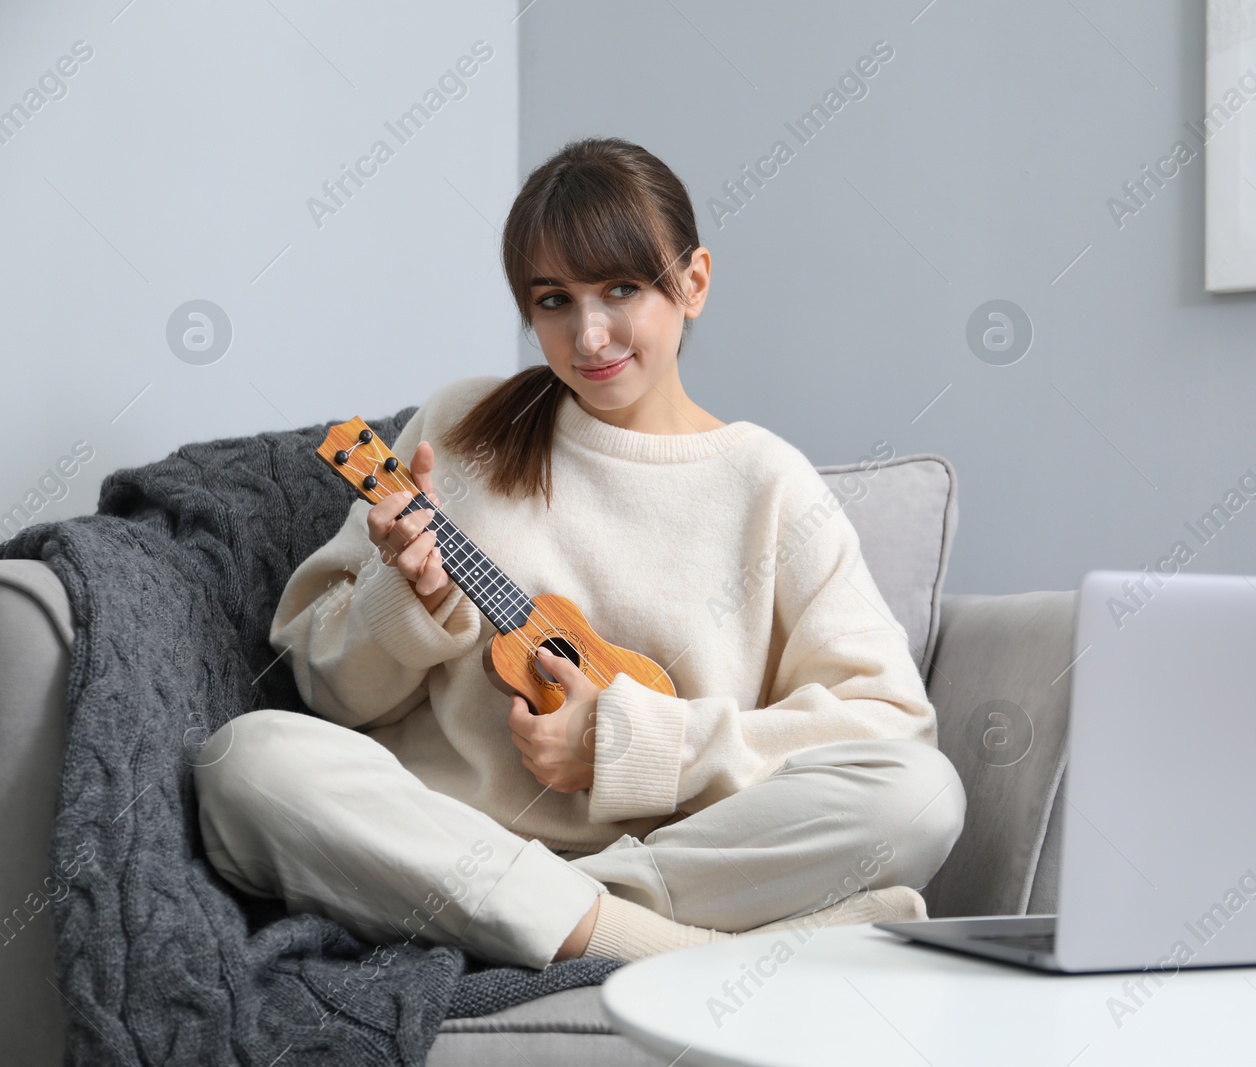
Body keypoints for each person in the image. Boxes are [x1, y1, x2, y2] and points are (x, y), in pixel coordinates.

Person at [194, 136, 966, 970]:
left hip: (663, 864)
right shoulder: (460, 427)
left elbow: (891, 728)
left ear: (694, 282)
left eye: (622, 289)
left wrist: (634, 744)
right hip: (454, 837)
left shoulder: (769, 484)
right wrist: (404, 601)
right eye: (554, 299)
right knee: (247, 760)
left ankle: (571, 918)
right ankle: (667, 951)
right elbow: (326, 693)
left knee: (923, 795)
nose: (590, 334)